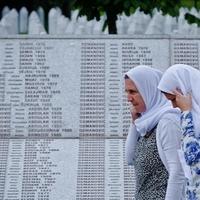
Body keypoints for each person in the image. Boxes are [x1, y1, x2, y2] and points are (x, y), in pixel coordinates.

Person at [125, 65, 185, 200]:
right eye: (126, 92)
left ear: (149, 90)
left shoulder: (167, 122)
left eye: (133, 91)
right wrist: (134, 123)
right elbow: (130, 159)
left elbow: (178, 172)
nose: (128, 98)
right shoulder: (147, 124)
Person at [158, 64, 200, 200]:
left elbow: (192, 157)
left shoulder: (188, 117)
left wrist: (186, 112)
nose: (174, 105)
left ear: (186, 90)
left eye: (174, 99)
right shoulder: (190, 119)